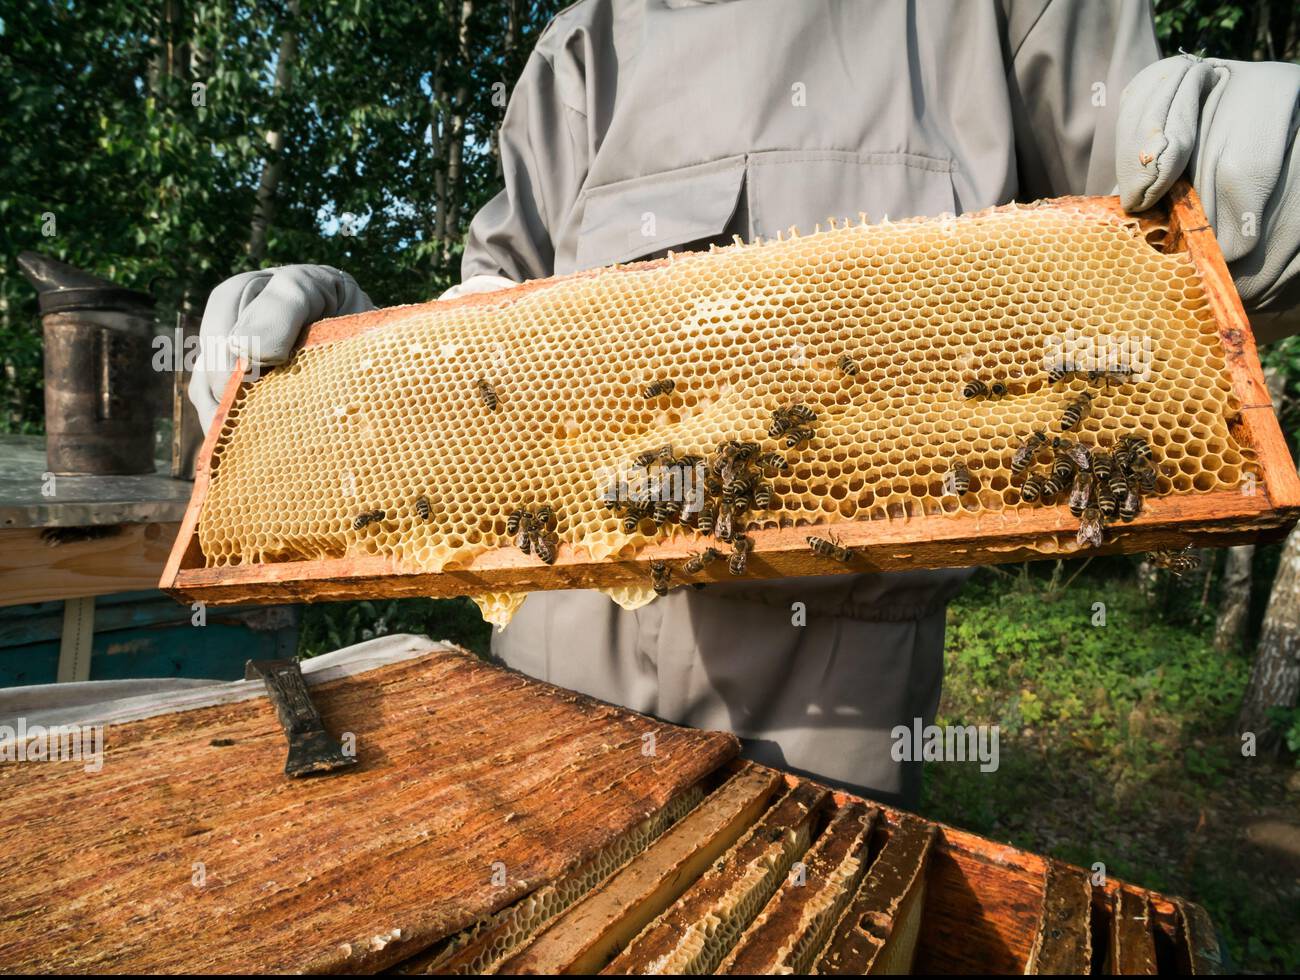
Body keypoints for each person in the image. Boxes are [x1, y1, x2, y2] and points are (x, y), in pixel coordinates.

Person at [191, 0, 1300, 805]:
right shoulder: (582, 45)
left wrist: (1249, 167)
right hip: (551, 662)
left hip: (833, 700)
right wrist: (333, 367)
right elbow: (488, 339)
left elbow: (1150, 213)